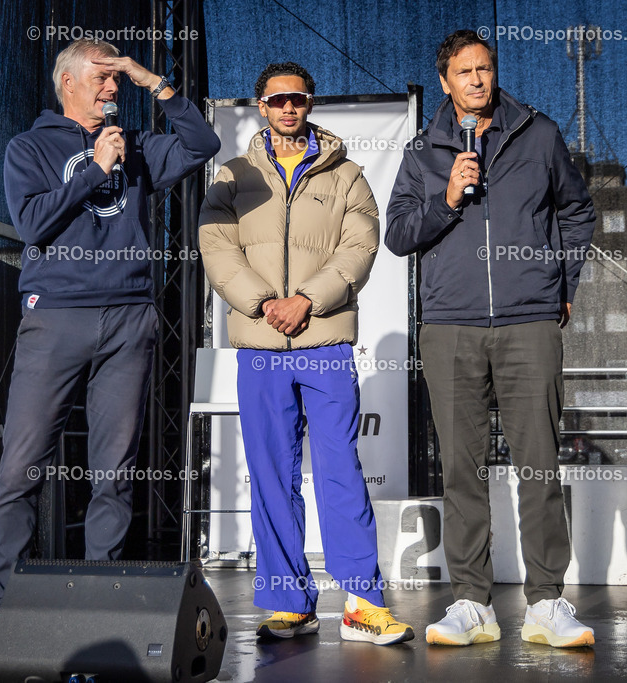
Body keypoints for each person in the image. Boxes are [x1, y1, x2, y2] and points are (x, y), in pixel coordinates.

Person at [0, 38, 220, 661]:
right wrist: (97, 170)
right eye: (103, 77)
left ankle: (103, 598)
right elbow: (36, 222)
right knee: (21, 467)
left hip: (129, 318)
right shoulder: (30, 147)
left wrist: (155, 83)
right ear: (67, 82)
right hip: (57, 319)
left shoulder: (137, 143)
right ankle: (4, 609)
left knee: (114, 469)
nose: (112, 89)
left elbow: (203, 145)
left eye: (117, 80)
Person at [385, 30, 597, 648]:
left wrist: (562, 283)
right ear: (445, 81)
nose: (477, 80)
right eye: (464, 72)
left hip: (529, 321)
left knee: (540, 465)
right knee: (462, 470)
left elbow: (577, 211)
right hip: (451, 326)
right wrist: (448, 198)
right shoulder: (423, 151)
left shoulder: (539, 134)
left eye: (484, 69)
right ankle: (472, 604)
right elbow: (399, 233)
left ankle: (547, 604)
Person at [198, 62, 413, 646]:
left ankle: (363, 603)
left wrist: (307, 301)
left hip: (325, 342)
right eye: (277, 100)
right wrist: (265, 302)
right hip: (261, 343)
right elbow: (216, 247)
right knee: (271, 475)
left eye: (297, 99)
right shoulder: (233, 174)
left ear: (309, 103)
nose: (288, 108)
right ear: (261, 107)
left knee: (341, 470)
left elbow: (361, 248)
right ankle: (290, 602)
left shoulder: (348, 176)